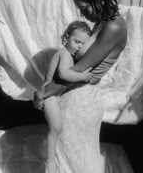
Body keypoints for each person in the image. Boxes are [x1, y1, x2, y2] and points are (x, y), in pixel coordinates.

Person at [34, 0, 127, 173]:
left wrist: (43, 92)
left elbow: (80, 69)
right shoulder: (103, 22)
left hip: (82, 100)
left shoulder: (113, 26)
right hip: (74, 94)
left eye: (84, 7)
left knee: (80, 162)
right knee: (69, 159)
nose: (82, 14)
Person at [37, 21, 93, 173]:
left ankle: (52, 159)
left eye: (83, 44)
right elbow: (64, 74)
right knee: (55, 128)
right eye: (77, 41)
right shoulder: (64, 54)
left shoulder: (68, 55)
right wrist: (83, 76)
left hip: (54, 96)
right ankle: (50, 163)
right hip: (49, 97)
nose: (79, 46)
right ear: (66, 38)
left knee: (57, 128)